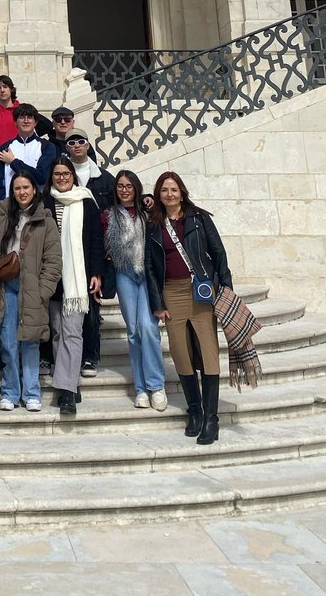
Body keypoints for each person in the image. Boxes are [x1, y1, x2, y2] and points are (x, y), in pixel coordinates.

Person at [146, 171, 231, 446]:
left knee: (208, 352)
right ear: (159, 195)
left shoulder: (199, 218)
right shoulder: (154, 224)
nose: (169, 194)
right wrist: (157, 303)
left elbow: (218, 252)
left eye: (174, 190)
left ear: (182, 193)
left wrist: (226, 288)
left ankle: (211, 419)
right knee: (181, 353)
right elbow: (149, 266)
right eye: (164, 190)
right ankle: (194, 411)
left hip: (201, 289)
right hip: (171, 291)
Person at [0, 171, 62, 412]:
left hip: (32, 288)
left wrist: (42, 291)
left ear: (34, 189)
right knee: (8, 343)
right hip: (6, 286)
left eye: (26, 187)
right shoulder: (2, 217)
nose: (22, 192)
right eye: (17, 188)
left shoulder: (45, 220)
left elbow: (53, 261)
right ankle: (10, 392)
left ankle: (31, 393)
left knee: (30, 342)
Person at [43, 156, 103, 415]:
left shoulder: (85, 201)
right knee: (57, 332)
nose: (62, 178)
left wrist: (96, 272)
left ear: (73, 176)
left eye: (66, 174)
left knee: (72, 332)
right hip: (52, 277)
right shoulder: (44, 202)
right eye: (57, 174)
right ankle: (70, 380)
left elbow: (96, 240)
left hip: (77, 277)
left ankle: (66, 391)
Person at [104, 170, 167, 411]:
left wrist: (149, 198)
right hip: (124, 273)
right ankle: (141, 388)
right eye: (120, 186)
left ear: (136, 188)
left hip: (147, 274)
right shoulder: (109, 215)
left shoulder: (148, 211)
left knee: (148, 328)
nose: (124, 190)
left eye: (129, 186)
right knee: (133, 332)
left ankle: (156, 385)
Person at [63, 127, 115, 380]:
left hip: (95, 250)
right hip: (68, 250)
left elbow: (117, 211)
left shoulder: (104, 179)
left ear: (88, 145)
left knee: (92, 308)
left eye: (80, 141)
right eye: (71, 142)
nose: (76, 145)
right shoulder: (61, 177)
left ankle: (89, 356)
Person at [0, 104, 60, 208]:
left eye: (29, 117)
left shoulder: (47, 147)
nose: (26, 121)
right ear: (15, 122)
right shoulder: (5, 148)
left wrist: (13, 162)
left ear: (35, 122)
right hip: (10, 208)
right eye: (22, 117)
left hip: (38, 207)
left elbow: (41, 177)